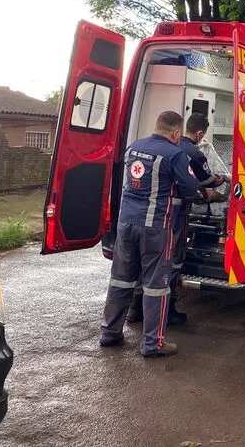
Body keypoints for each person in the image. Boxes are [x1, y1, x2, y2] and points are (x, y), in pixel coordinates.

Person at [99, 111, 199, 357]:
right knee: (157, 286)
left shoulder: (134, 147)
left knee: (121, 279)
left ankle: (110, 334)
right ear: (176, 133)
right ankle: (153, 343)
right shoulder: (175, 154)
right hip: (155, 227)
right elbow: (190, 189)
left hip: (125, 224)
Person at [126, 113, 227, 326]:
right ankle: (168, 312)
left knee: (140, 263)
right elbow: (204, 183)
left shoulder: (143, 147)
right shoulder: (192, 153)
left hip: (136, 216)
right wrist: (223, 184)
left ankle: (135, 309)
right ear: (200, 133)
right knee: (171, 263)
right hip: (173, 217)